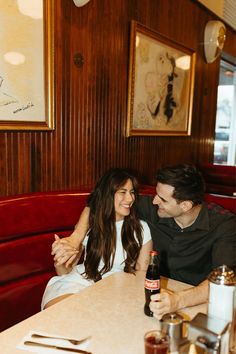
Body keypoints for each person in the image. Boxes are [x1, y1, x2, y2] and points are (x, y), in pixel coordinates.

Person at [51, 164, 236, 319]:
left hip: (194, 296)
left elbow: (223, 279)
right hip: (153, 294)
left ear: (185, 205)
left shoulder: (223, 224)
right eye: (156, 194)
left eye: (162, 199)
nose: (154, 201)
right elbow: (98, 202)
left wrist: (178, 300)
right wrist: (75, 239)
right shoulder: (152, 208)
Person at [42, 168, 152, 309]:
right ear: (107, 195)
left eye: (132, 192)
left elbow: (142, 273)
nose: (130, 199)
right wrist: (60, 261)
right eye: (123, 192)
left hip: (118, 290)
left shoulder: (141, 228)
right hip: (79, 284)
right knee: (60, 315)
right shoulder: (88, 225)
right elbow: (66, 272)